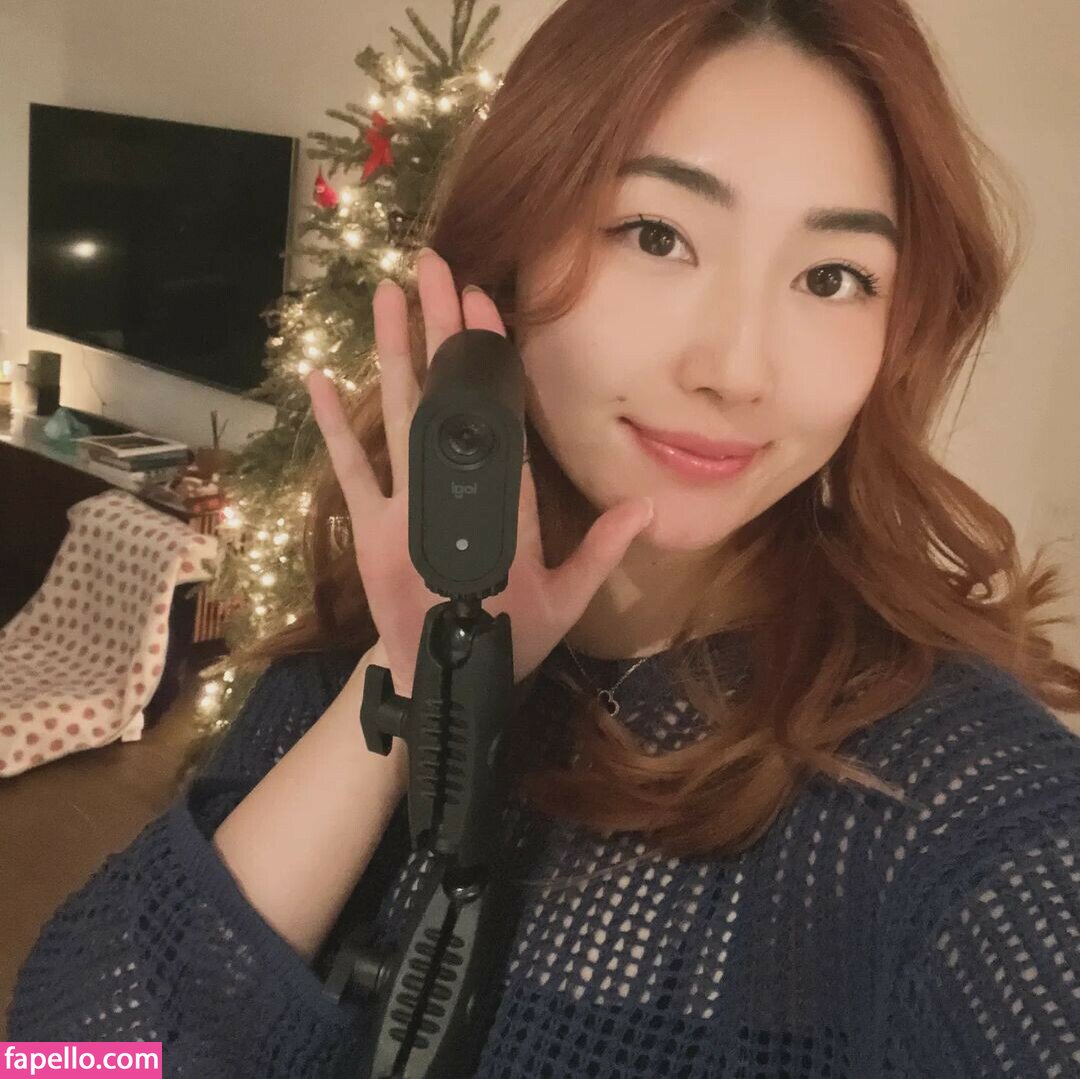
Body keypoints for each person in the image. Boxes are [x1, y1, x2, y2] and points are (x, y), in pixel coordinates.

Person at [9, 0, 1080, 1075]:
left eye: (832, 277)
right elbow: (61, 1056)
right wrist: (420, 677)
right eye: (656, 235)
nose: (737, 369)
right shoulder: (351, 658)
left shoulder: (969, 804)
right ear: (510, 257)